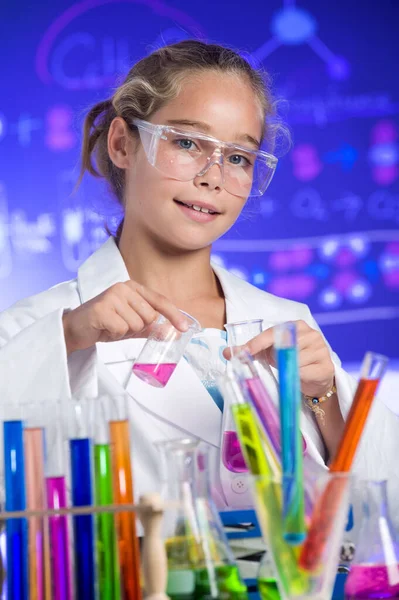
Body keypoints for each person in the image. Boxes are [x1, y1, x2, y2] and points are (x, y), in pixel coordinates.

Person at [0, 41, 398, 526]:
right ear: (123, 143)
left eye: (239, 157)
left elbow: (377, 517)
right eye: (187, 143)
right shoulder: (36, 330)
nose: (214, 177)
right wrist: (66, 340)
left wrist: (323, 396)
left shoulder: (286, 321)